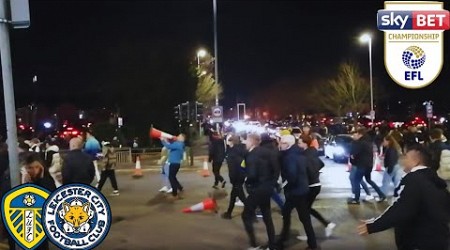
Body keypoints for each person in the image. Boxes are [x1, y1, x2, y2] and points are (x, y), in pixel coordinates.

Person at [358, 145, 450, 250]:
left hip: (418, 242)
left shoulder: (413, 180)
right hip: (439, 241)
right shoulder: (435, 181)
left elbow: (401, 209)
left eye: (406, 157)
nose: (402, 160)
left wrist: (373, 226)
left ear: (416, 161)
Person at [277, 135, 318, 250]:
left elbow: (292, 175)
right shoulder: (300, 153)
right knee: (304, 217)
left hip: (294, 191)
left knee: (287, 213)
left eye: (283, 143)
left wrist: (283, 185)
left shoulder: (289, 157)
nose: (280, 145)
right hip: (302, 189)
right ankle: (312, 244)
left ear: (288, 144)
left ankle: (282, 240)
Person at [241, 133, 276, 250]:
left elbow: (252, 174)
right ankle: (272, 244)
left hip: (257, 189)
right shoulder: (267, 152)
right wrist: (272, 183)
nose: (245, 143)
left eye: (246, 140)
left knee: (245, 215)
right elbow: (275, 169)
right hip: (267, 188)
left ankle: (254, 244)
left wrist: (246, 180)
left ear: (251, 141)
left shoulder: (251, 155)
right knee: (267, 216)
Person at [297, 135, 336, 241]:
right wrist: (315, 174)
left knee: (304, 211)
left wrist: (309, 176)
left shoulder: (305, 156)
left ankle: (310, 234)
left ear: (305, 144)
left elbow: (308, 169)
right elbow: (321, 164)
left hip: (310, 186)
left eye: (299, 143)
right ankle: (327, 224)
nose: (298, 145)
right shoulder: (312, 153)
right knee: (307, 209)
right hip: (316, 185)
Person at [21, 153, 56, 250]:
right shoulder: (29, 180)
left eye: (37, 167)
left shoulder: (46, 181)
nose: (35, 170)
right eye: (31, 167)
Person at [348, 128, 386, 204]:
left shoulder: (360, 143)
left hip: (361, 164)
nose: (355, 136)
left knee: (356, 181)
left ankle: (356, 199)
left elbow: (353, 154)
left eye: (357, 134)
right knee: (369, 180)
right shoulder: (368, 142)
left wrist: (352, 156)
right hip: (369, 165)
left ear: (360, 134)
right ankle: (381, 195)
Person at [221, 134, 247, 219]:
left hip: (237, 177)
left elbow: (233, 167)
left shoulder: (233, 152)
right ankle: (228, 213)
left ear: (232, 141)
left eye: (228, 140)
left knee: (241, 197)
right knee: (233, 195)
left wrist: (233, 178)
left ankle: (251, 211)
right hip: (240, 176)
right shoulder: (239, 149)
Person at [161, 134, 185, 201]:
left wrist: (162, 140)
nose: (177, 137)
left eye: (179, 136)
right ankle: (180, 187)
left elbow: (168, 146)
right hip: (176, 163)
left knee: (171, 178)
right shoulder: (180, 144)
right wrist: (166, 140)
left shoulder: (178, 144)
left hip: (174, 164)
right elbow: (170, 144)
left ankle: (175, 194)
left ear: (182, 138)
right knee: (173, 177)